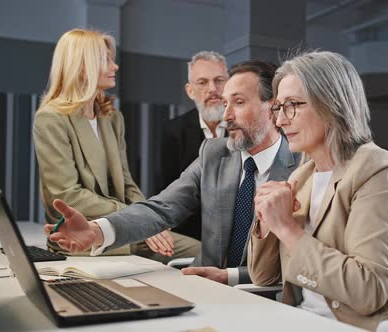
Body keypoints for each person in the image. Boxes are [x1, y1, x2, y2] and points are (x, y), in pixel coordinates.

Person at [45, 60, 301, 286]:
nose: (226, 116)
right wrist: (97, 231)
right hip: (202, 289)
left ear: (273, 107)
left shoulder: (301, 167)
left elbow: (300, 258)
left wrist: (232, 276)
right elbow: (161, 208)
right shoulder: (214, 154)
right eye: (225, 103)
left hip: (262, 297)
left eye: (239, 102)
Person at [248, 51, 388, 331]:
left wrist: (289, 229)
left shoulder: (379, 171)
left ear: (332, 105)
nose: (280, 121)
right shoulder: (302, 177)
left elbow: (369, 292)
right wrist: (269, 222)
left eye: (292, 105)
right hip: (307, 321)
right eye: (278, 107)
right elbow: (263, 278)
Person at [33, 28, 200, 261]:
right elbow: (66, 195)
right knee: (198, 255)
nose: (115, 66)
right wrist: (133, 218)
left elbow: (127, 183)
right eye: (106, 60)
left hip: (121, 228)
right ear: (82, 66)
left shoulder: (111, 118)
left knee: (203, 254)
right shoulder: (50, 118)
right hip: (82, 237)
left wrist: (147, 219)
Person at [155, 51, 229, 241]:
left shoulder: (244, 127)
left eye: (219, 80)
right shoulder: (173, 132)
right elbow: (169, 193)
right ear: (190, 91)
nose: (212, 89)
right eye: (203, 82)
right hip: (191, 234)